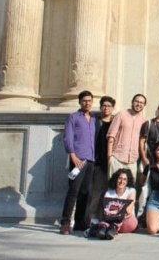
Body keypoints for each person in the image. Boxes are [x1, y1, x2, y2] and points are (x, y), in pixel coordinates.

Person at [61, 90, 97, 234]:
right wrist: (73, 156)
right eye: (84, 101)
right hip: (78, 159)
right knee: (73, 191)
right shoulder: (73, 117)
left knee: (86, 192)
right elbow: (68, 138)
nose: (87, 103)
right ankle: (65, 222)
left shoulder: (94, 119)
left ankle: (81, 222)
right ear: (80, 102)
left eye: (89, 101)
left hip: (91, 159)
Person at [107, 94, 148, 179]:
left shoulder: (144, 120)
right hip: (117, 157)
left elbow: (142, 141)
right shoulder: (121, 115)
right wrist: (109, 155)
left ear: (144, 105)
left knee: (130, 188)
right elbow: (111, 135)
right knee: (113, 186)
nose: (139, 104)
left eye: (141, 103)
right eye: (137, 101)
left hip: (132, 161)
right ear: (132, 102)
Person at [88, 95, 115, 224]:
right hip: (97, 160)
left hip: (111, 161)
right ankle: (92, 216)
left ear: (113, 108)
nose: (106, 108)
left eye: (109, 106)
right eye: (103, 105)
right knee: (97, 190)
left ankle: (106, 216)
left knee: (109, 190)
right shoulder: (94, 122)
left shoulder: (115, 122)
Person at [90, 169, 137, 239]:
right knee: (106, 218)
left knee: (124, 216)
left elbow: (128, 210)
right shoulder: (109, 192)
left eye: (124, 179)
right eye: (120, 178)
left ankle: (112, 227)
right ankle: (107, 229)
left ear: (127, 182)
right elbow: (105, 211)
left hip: (126, 221)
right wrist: (118, 211)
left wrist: (115, 212)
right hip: (109, 220)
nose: (122, 181)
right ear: (116, 179)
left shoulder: (131, 191)